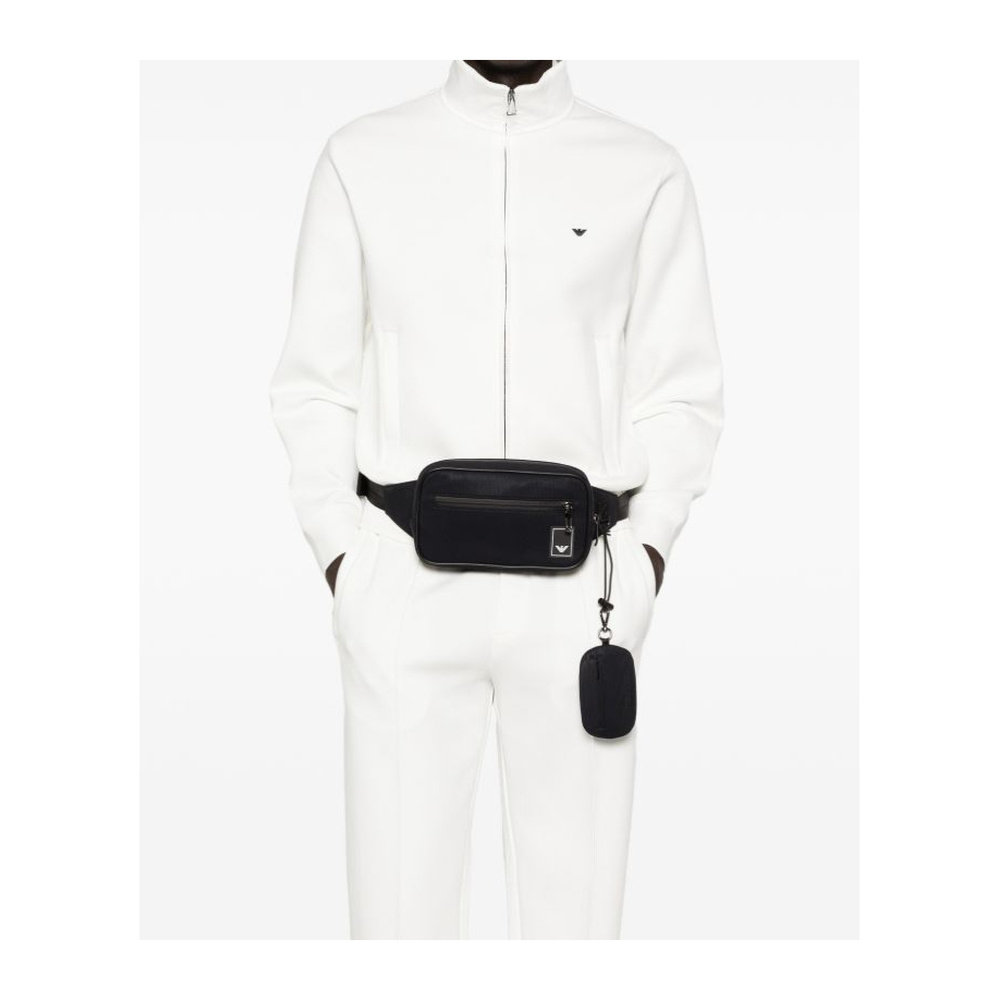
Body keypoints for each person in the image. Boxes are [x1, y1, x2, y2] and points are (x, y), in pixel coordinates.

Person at [270, 59, 723, 939]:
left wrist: (645, 556)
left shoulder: (644, 169)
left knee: (575, 931)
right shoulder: (362, 157)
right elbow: (314, 384)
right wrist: (345, 559)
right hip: (404, 582)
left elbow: (681, 390)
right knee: (397, 924)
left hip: (582, 598)